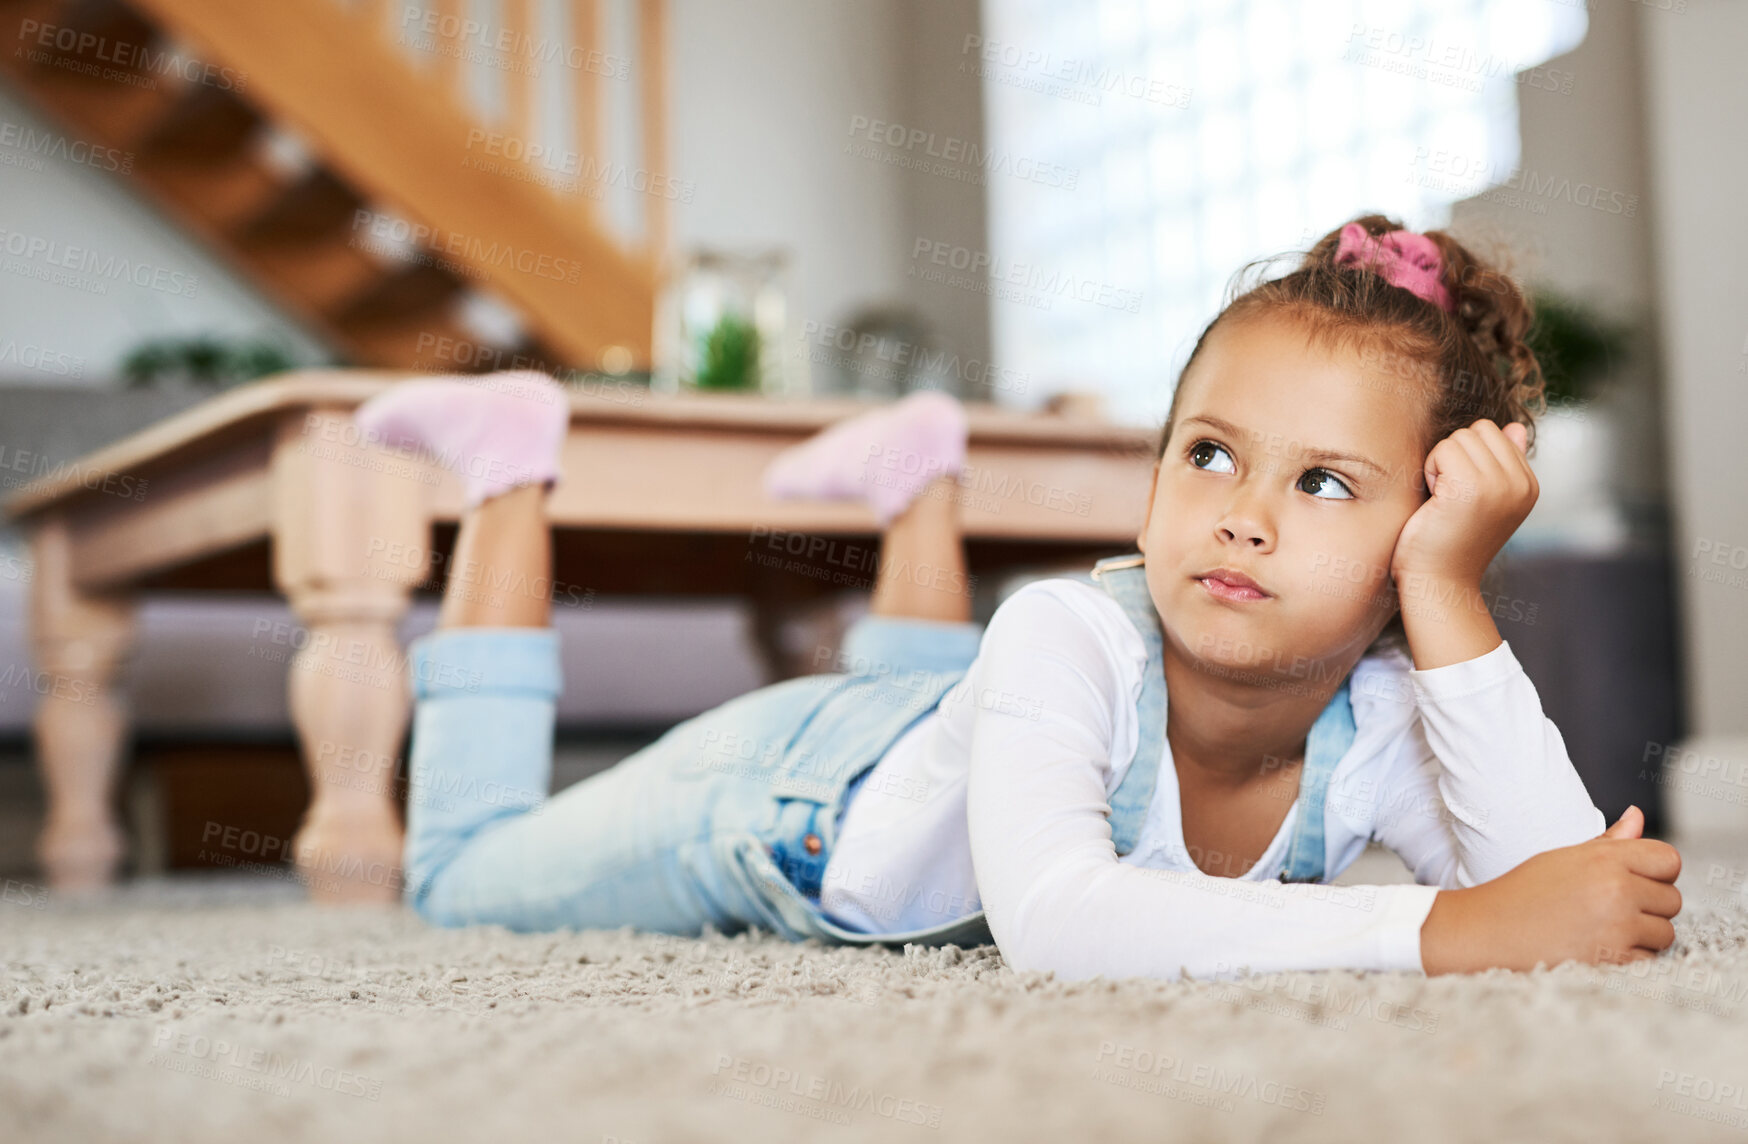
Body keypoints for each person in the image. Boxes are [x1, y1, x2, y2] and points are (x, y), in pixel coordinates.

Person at [354, 214, 1681, 982]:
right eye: (1210, 452)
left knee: (957, 722)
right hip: (778, 805)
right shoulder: (1068, 626)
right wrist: (1438, 930)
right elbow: (1056, 922)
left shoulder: (1383, 718)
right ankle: (510, 468)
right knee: (460, 879)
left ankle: (917, 477)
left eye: (1326, 483)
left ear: (1423, 531)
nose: (1242, 512)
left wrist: (1446, 593)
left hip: (941, 730)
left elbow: (1566, 898)